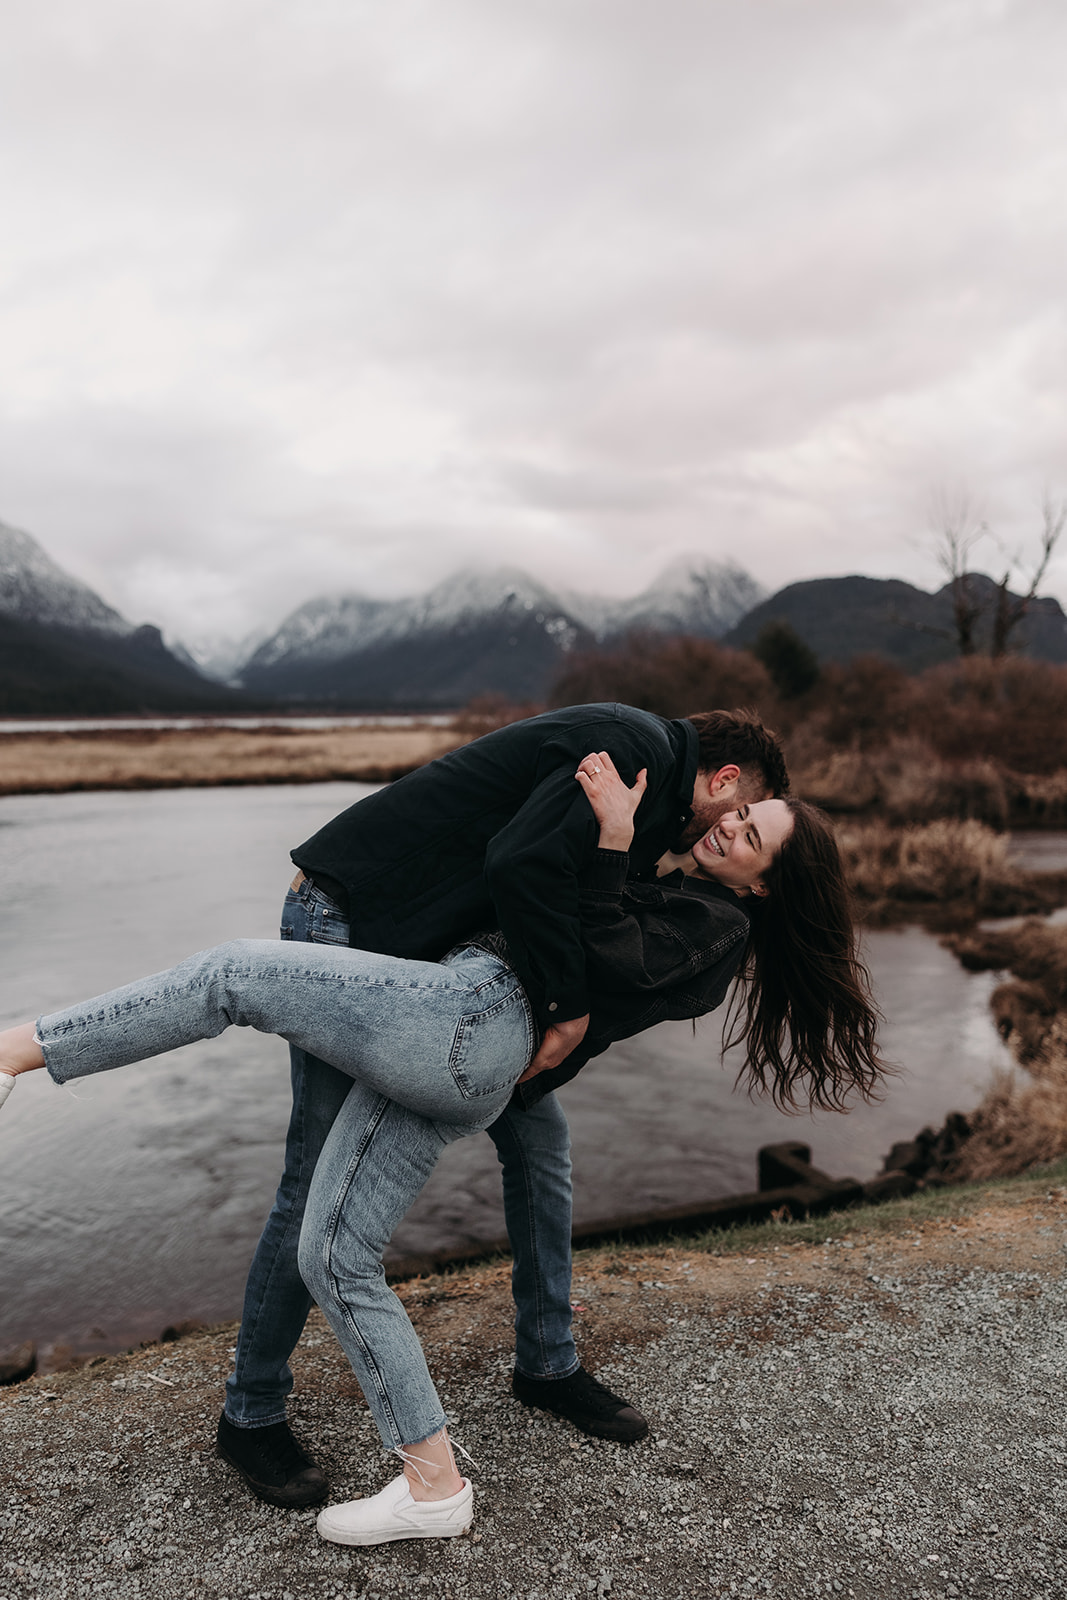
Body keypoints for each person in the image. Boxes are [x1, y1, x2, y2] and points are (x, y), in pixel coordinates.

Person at [0, 752, 881, 1548]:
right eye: (739, 812)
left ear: (766, 883)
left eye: (751, 829)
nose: (729, 822)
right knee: (334, 1251)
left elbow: (607, 955)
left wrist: (612, 838)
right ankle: (433, 1483)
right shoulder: (700, 902)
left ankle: (15, 1049)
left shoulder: (716, 927)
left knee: (232, 973)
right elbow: (603, 965)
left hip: (466, 1014)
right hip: (469, 1053)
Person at [222, 700, 790, 1507]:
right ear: (724, 779)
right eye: (738, 812)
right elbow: (522, 864)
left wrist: (533, 1053)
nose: (727, 828)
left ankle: (547, 1364)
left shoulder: (648, 801)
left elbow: (581, 910)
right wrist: (564, 1008)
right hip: (349, 921)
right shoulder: (631, 756)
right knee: (312, 1175)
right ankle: (249, 1413)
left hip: (436, 967)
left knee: (539, 1147)